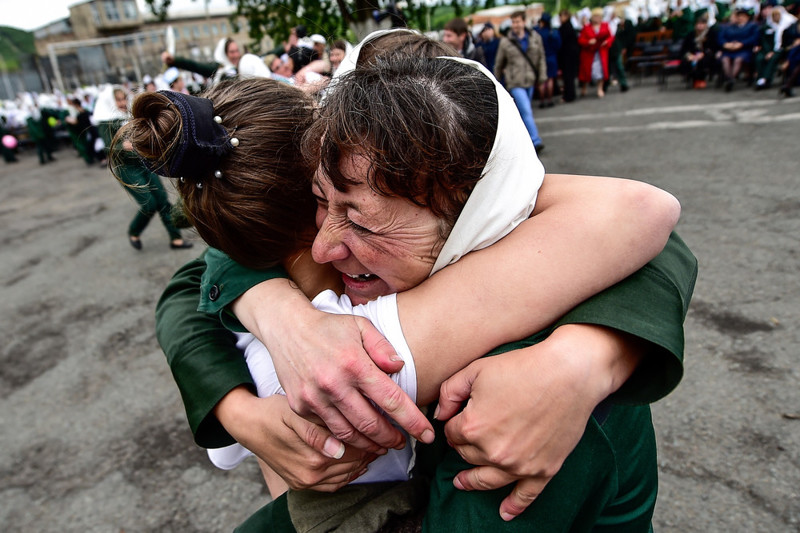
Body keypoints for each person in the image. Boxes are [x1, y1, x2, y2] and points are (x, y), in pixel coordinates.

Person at [151, 31, 695, 530]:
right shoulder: (519, 238)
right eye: (320, 203)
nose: (321, 247)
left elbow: (648, 221)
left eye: (362, 220)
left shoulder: (521, 380)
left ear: (472, 216)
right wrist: (274, 333)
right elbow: (196, 276)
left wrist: (583, 358)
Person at [95, 85, 192, 251]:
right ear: (111, 101)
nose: (122, 102)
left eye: (123, 98)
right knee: (149, 204)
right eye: (118, 100)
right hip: (126, 168)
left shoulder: (129, 115)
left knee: (162, 201)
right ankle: (134, 231)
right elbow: (108, 147)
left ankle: (175, 238)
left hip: (143, 163)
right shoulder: (107, 121)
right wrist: (121, 146)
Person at [494, 10, 548, 151]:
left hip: (530, 79)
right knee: (526, 110)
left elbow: (541, 58)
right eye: (513, 22)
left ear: (524, 22)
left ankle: (522, 141)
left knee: (525, 112)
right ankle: (535, 140)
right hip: (515, 81)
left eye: (518, 21)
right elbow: (499, 64)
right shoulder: (505, 42)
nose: (515, 25)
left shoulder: (535, 38)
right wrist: (496, 82)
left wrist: (542, 75)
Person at [755, 6, 797, 89]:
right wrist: (768, 51)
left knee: (773, 58)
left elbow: (786, 42)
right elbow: (764, 40)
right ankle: (759, 79)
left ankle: (766, 79)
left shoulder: (789, 25)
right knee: (759, 58)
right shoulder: (768, 26)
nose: (775, 17)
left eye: (777, 15)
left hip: (783, 49)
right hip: (768, 50)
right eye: (774, 15)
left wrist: (774, 51)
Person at [718, 8, 760, 91]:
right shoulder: (730, 26)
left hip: (744, 49)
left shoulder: (752, 26)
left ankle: (731, 78)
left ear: (747, 17)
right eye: (739, 16)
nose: (740, 18)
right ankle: (729, 78)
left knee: (738, 60)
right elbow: (722, 37)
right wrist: (726, 44)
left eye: (743, 16)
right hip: (730, 49)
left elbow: (754, 38)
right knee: (725, 59)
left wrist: (742, 44)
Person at [578, 7, 614, 98]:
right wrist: (588, 42)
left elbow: (610, 37)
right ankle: (584, 87)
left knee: (600, 71)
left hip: (601, 52)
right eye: (596, 16)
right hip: (589, 54)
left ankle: (600, 88)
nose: (597, 18)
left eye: (599, 16)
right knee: (586, 72)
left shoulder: (605, 25)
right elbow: (580, 40)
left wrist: (607, 42)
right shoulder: (586, 28)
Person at [681, 15, 720, 88]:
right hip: (692, 54)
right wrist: (689, 55)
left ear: (706, 25)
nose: (700, 26)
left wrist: (703, 54)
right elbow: (685, 48)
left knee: (703, 61)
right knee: (686, 61)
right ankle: (692, 79)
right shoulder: (691, 35)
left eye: (702, 24)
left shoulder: (711, 34)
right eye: (698, 24)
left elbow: (713, 47)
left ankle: (701, 79)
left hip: (706, 54)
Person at [534, 13, 561, 107]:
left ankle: (542, 101)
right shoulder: (553, 32)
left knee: (541, 80)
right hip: (552, 57)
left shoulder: (537, 32)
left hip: (541, 58)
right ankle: (550, 99)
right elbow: (558, 45)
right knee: (550, 80)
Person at [558, 9, 581, 102]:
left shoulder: (565, 28)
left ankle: (569, 95)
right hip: (570, 56)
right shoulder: (569, 26)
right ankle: (570, 94)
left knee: (568, 77)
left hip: (567, 56)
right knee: (569, 77)